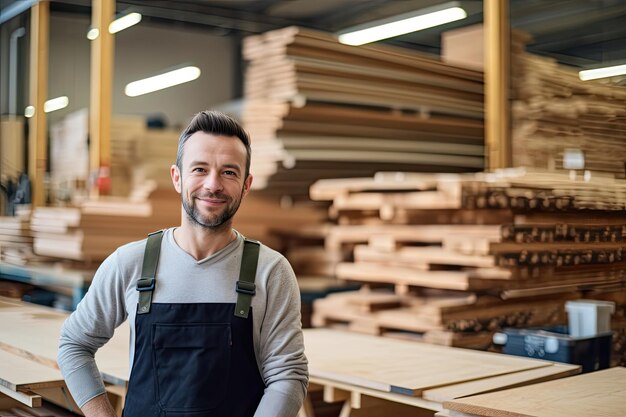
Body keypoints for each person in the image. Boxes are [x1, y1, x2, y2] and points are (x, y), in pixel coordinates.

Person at [58, 110, 309, 417]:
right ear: (177, 177)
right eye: (200, 169)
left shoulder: (270, 271)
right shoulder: (131, 263)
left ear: (246, 184)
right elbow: (73, 344)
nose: (213, 184)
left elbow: (288, 375)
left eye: (229, 172)